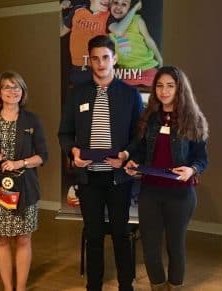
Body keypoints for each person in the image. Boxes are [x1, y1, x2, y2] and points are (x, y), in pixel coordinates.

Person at [58, 35, 144, 291]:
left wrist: (125, 156)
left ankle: (125, 285)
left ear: (114, 59)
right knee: (93, 235)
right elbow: (64, 134)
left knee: (120, 233)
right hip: (89, 179)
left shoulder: (130, 95)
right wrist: (73, 151)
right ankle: (93, 285)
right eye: (95, 58)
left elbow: (139, 137)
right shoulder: (77, 95)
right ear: (89, 62)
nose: (101, 63)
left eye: (105, 57)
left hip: (118, 178)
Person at [125, 66, 209, 290]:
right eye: (160, 85)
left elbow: (201, 158)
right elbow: (141, 151)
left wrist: (192, 170)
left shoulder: (193, 119)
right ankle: (158, 286)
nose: (164, 91)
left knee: (175, 245)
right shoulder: (148, 118)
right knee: (150, 246)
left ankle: (175, 286)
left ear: (180, 89)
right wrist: (134, 164)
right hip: (150, 192)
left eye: (170, 86)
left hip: (181, 194)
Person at [0, 71, 48, 291]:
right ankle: (8, 288)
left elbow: (42, 156)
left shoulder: (32, 120)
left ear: (23, 91)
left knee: (23, 238)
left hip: (24, 188)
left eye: (17, 87)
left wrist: (19, 163)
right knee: (1, 240)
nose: (12, 91)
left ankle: (21, 287)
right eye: (7, 87)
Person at [109, 0, 163, 87]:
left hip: (146, 67)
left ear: (130, 7)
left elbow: (148, 39)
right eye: (116, 3)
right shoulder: (111, 24)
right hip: (127, 71)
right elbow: (118, 32)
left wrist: (160, 59)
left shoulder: (137, 20)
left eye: (124, 4)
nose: (118, 7)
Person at [60, 0, 111, 84]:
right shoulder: (78, 10)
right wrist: (60, 10)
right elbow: (61, 31)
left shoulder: (109, 15)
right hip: (77, 68)